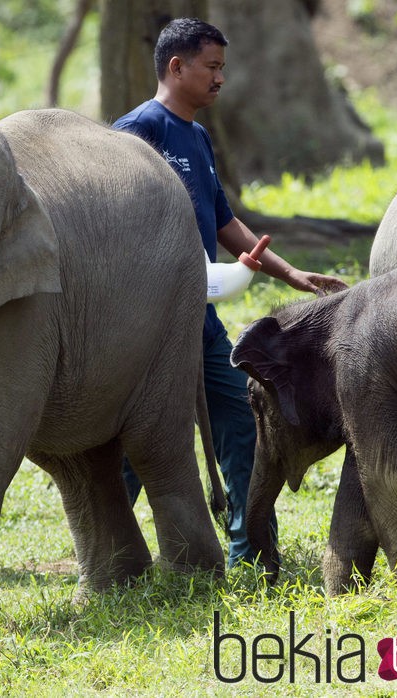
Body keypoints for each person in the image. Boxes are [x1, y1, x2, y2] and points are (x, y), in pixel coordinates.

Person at [113, 18, 348, 567]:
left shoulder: (196, 135)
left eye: (222, 67)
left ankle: (251, 551)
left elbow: (223, 220)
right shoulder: (135, 132)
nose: (221, 78)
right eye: (212, 67)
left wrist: (290, 274)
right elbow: (117, 225)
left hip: (198, 317)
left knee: (241, 419)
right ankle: (111, 553)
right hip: (144, 321)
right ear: (177, 67)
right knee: (138, 434)